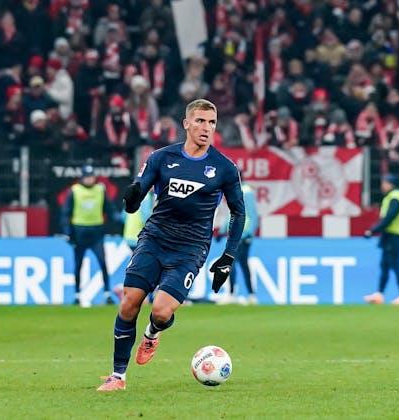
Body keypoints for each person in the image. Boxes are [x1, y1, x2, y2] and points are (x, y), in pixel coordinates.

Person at [97, 99, 245, 392]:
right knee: (129, 302)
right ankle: (117, 376)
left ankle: (152, 332)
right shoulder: (161, 158)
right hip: (155, 238)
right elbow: (136, 198)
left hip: (190, 248)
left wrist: (228, 256)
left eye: (212, 122)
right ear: (186, 124)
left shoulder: (224, 168)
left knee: (162, 312)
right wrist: (131, 198)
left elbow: (238, 213)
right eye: (200, 121)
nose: (206, 128)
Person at [60, 165, 115, 306]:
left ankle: (107, 293)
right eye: (87, 177)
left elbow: (109, 209)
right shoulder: (74, 191)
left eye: (91, 177)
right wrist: (67, 232)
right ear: (82, 178)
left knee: (103, 262)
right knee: (78, 264)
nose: (89, 179)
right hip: (79, 232)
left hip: (96, 232)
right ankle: (77, 294)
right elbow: (66, 212)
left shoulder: (100, 190)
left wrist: (112, 226)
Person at [363, 175, 399, 305]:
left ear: (390, 184)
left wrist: (373, 230)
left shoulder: (395, 197)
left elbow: (389, 217)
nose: (382, 186)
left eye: (384, 183)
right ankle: (379, 294)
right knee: (384, 265)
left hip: (395, 235)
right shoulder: (393, 197)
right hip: (390, 235)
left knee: (395, 264)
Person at [217, 182, 259, 304]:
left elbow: (252, 214)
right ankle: (250, 295)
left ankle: (233, 294)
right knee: (242, 264)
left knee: (232, 263)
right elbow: (232, 214)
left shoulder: (246, 192)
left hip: (242, 235)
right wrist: (222, 231)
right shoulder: (234, 191)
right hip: (236, 235)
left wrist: (248, 234)